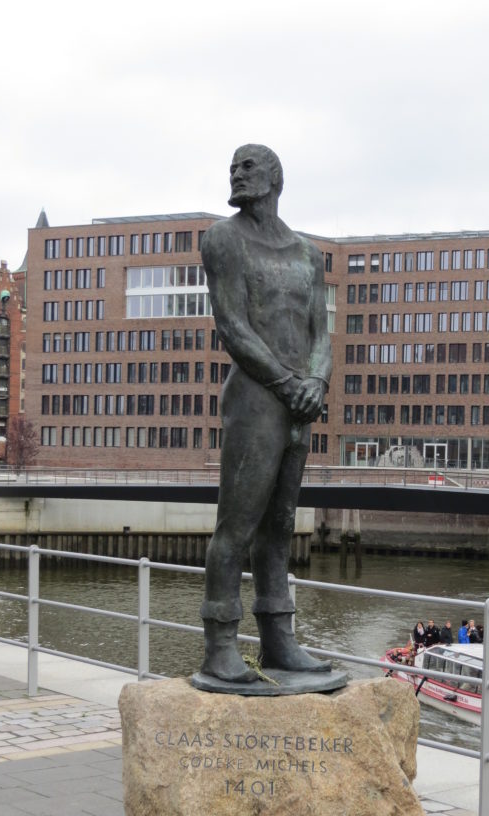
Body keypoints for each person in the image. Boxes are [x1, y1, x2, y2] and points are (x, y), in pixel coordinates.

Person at [198, 144, 332, 685]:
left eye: (248, 165)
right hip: (258, 398)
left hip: (300, 401)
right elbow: (232, 326)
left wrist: (317, 381)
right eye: (233, 166)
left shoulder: (307, 254)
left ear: (276, 176)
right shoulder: (223, 239)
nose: (236, 172)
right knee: (237, 524)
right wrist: (288, 383)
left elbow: (321, 329)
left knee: (279, 527)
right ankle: (220, 643)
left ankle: (279, 641)